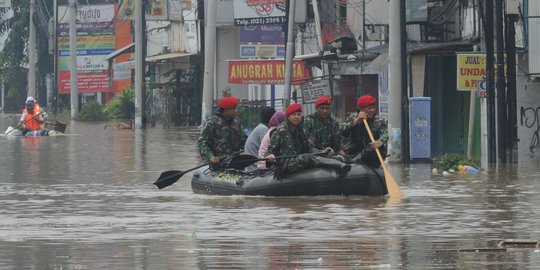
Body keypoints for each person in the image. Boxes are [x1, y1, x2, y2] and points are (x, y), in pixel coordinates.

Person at [266, 103, 350, 178]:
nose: (296, 117)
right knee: (308, 157)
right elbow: (269, 151)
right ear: (288, 117)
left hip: (297, 160)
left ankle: (340, 162)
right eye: (294, 115)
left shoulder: (301, 130)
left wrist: (323, 151)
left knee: (312, 155)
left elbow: (309, 147)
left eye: (299, 114)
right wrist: (269, 156)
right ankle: (339, 165)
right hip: (285, 163)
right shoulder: (279, 132)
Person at [197, 96, 247, 167]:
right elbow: (202, 143)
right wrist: (211, 157)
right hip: (218, 164)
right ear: (225, 110)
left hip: (235, 162)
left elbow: (244, 141)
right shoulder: (212, 123)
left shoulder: (237, 122)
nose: (236, 111)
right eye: (234, 109)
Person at [341, 94, 388, 167]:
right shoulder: (352, 117)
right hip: (354, 152)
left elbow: (385, 134)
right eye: (369, 108)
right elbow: (343, 132)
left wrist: (380, 142)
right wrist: (356, 121)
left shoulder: (379, 121)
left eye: (373, 107)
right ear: (360, 109)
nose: (372, 110)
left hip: (371, 152)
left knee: (371, 151)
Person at [243, 106, 276, 170]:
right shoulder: (263, 129)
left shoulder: (261, 127)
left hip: (254, 164)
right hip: (254, 167)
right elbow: (268, 148)